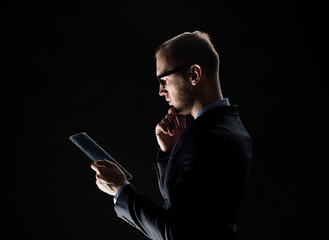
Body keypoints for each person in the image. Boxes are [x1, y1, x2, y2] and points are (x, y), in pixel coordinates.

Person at [90, 31, 252, 240]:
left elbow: (176, 233)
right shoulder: (226, 125)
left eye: (164, 80)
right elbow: (185, 209)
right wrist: (172, 150)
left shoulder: (208, 139)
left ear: (194, 74)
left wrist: (121, 190)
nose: (161, 91)